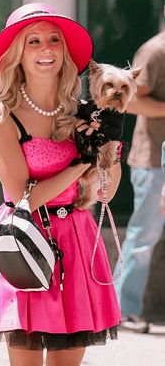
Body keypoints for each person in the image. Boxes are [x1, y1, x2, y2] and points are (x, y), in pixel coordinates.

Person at [0, 3, 122, 366]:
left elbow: (105, 193)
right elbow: (24, 195)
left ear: (64, 50)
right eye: (34, 41)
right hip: (24, 242)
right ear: (17, 55)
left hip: (76, 238)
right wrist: (80, 164)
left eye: (54, 40)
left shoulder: (84, 111)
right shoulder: (0, 113)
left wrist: (110, 150)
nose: (46, 49)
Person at [114, 30, 165, 333]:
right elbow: (128, 100)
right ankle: (121, 310)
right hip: (153, 161)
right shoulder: (155, 51)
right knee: (143, 237)